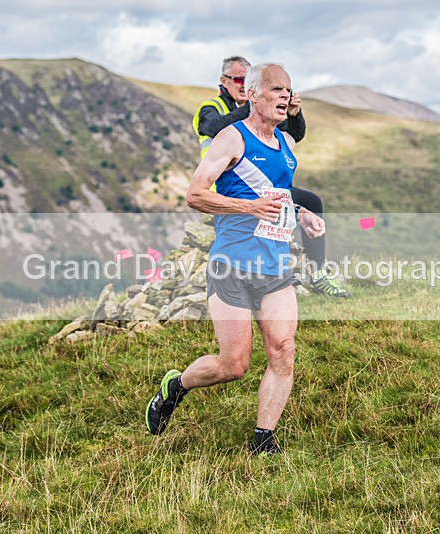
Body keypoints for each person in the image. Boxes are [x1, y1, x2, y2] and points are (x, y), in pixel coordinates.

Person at [147, 63, 325, 455]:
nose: (286, 96)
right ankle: (175, 387)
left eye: (289, 90)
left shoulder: (287, 146)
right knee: (234, 365)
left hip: (275, 267)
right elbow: (195, 195)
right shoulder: (230, 138)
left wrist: (302, 214)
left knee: (283, 350)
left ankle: (264, 440)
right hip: (231, 266)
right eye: (277, 89)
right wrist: (248, 208)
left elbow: (278, 198)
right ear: (253, 95)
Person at [193, 56, 350, 298]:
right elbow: (213, 127)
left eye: (247, 80)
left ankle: (317, 273)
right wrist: (256, 105)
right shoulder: (210, 108)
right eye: (239, 80)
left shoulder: (263, 105)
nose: (242, 85)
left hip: (262, 186)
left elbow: (290, 137)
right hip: (223, 186)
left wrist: (293, 113)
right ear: (224, 81)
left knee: (311, 202)